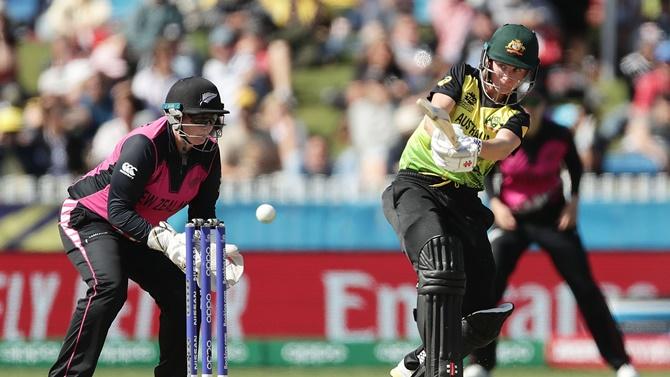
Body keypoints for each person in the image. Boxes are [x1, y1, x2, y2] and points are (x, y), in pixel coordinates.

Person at [48, 76, 244, 377]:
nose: (207, 127)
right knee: (109, 287)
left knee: (185, 296)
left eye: (212, 119)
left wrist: (207, 251)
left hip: (138, 231)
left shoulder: (209, 153)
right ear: (176, 115)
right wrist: (164, 241)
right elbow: (117, 210)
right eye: (200, 119)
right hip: (90, 218)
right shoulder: (145, 145)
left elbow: (202, 211)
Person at [383, 24, 540, 377]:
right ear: (488, 60)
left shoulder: (516, 116)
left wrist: (474, 147)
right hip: (417, 185)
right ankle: (441, 368)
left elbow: (502, 146)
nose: (507, 77)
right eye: (502, 65)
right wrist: (442, 135)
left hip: (464, 201)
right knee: (440, 264)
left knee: (482, 321)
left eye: (517, 71)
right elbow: (438, 109)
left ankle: (419, 362)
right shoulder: (462, 76)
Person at [465, 92, 639, 377]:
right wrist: (495, 203)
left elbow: (575, 167)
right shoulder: (505, 134)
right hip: (512, 221)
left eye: (533, 108)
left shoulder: (558, 134)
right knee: (488, 288)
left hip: (553, 220)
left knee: (585, 288)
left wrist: (573, 201)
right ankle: (479, 364)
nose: (527, 116)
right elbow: (487, 169)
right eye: (521, 109)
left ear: (543, 108)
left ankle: (621, 363)